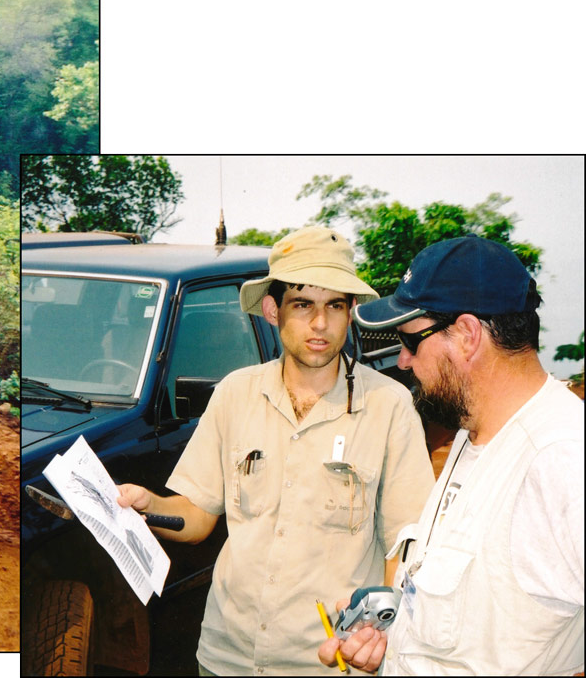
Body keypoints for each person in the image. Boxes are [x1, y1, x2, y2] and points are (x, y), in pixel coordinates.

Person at [112, 226, 431, 676]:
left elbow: (406, 544)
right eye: (302, 305)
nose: (320, 323)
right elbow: (199, 514)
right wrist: (150, 508)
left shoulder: (388, 406)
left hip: (328, 662)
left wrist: (378, 632)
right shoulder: (235, 393)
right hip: (227, 656)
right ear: (271, 310)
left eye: (334, 305)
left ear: (350, 311)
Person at [319, 236, 583, 676]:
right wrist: (396, 639)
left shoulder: (561, 458)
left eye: (411, 341)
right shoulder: (473, 432)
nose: (402, 361)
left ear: (466, 335)